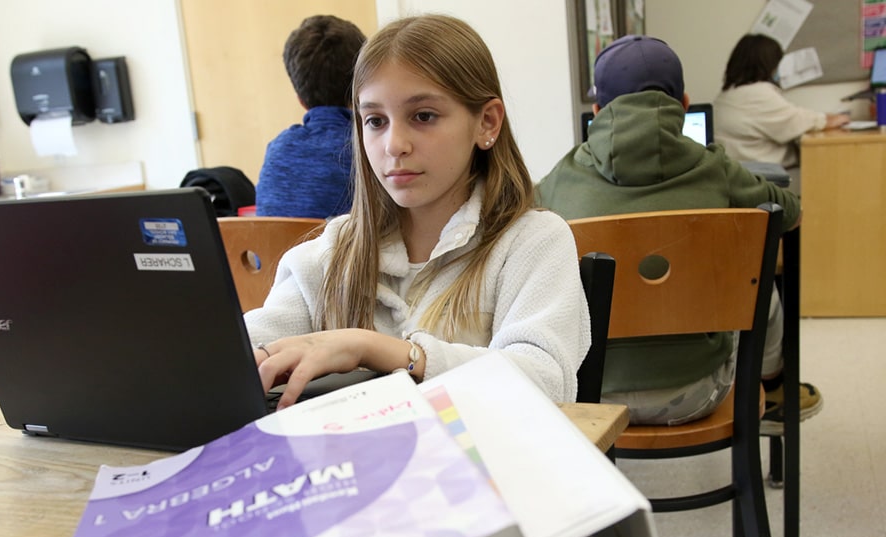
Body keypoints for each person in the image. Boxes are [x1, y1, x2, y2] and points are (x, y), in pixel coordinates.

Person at [245, 14, 591, 408]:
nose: (394, 145)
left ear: (487, 123)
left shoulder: (533, 242)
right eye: (375, 121)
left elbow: (546, 382)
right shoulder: (334, 251)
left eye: (423, 116)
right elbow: (246, 347)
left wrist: (378, 349)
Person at [535, 34, 821, 429]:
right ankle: (774, 387)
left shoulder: (557, 182)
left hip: (593, 396)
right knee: (757, 278)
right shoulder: (717, 168)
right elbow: (789, 213)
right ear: (685, 105)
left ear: (597, 112)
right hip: (699, 392)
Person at [255, 15, 366, 218]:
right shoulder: (367, 146)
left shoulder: (277, 148)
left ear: (300, 99)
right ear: (361, 87)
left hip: (273, 241)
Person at [713, 34, 850, 171]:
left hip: (740, 171)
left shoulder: (728, 93)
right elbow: (796, 121)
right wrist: (833, 119)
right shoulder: (757, 94)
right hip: (763, 174)